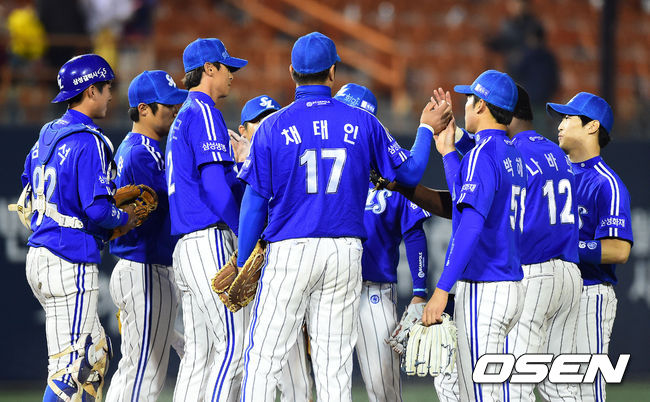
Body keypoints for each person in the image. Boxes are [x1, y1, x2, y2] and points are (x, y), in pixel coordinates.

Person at [236, 31, 452, 402]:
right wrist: (425, 128)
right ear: (333, 72)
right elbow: (412, 172)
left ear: (292, 72)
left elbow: (254, 203)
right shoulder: (362, 123)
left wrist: (244, 263)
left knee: (264, 358)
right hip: (344, 252)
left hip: (290, 248)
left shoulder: (273, 126)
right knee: (333, 365)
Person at [21, 54, 139, 401]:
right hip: (68, 259)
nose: (111, 95)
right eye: (106, 87)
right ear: (90, 91)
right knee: (70, 370)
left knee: (95, 354)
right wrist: (125, 219)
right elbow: (98, 209)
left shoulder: (47, 134)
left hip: (42, 253)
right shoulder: (88, 140)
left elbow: (27, 190)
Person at [421, 70, 527, 402]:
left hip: (486, 286)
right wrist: (449, 152)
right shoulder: (511, 154)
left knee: (479, 393)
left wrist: (442, 290)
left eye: (470, 98)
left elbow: (468, 226)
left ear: (481, 105)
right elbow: (464, 200)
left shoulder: (483, 154)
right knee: (465, 388)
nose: (465, 104)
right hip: (509, 284)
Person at [334, 83, 432, 402]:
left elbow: (414, 232)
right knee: (327, 382)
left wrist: (419, 291)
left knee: (382, 386)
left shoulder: (391, 174)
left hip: (372, 291)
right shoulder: (323, 164)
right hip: (327, 288)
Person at [165, 38, 249, 401]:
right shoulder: (203, 111)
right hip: (208, 240)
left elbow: (217, 180)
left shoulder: (184, 115)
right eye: (228, 67)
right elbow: (215, 187)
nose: (232, 74)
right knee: (234, 346)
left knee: (199, 356)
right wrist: (243, 232)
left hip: (186, 248)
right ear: (209, 69)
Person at [105, 70, 188, 402]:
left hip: (140, 268)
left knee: (137, 371)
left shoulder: (141, 149)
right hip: (144, 267)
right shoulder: (140, 153)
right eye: (167, 104)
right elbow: (164, 213)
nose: (174, 109)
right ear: (143, 109)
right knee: (144, 376)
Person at [547, 92, 633, 401]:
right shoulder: (554, 171)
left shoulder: (606, 183)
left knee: (586, 389)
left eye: (568, 117)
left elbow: (619, 250)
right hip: (554, 292)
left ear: (592, 126)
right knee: (553, 386)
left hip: (589, 293)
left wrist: (565, 245)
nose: (560, 124)